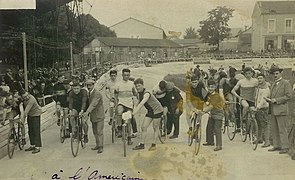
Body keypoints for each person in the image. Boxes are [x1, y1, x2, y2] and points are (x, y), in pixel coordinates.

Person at [265, 65, 292, 154]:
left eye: (277, 73)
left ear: (281, 73)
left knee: (282, 129)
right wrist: (269, 99)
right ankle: (277, 145)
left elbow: (288, 96)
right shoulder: (273, 83)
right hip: (273, 109)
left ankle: (285, 147)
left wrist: (276, 100)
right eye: (274, 74)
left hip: (281, 109)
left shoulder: (286, 83)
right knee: (274, 128)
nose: (275, 75)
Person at [132, 78, 164, 151]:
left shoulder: (146, 93)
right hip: (150, 111)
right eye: (136, 86)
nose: (137, 88)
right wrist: (132, 112)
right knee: (143, 127)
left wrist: (134, 113)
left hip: (157, 110)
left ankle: (153, 144)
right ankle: (142, 144)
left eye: (139, 86)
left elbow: (142, 103)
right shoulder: (139, 94)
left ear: (143, 85)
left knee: (155, 127)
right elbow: (136, 104)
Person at [115, 68, 137, 145]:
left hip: (129, 104)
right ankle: (119, 127)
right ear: (122, 75)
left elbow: (135, 93)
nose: (126, 76)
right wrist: (115, 103)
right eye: (125, 75)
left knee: (128, 120)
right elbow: (115, 94)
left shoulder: (131, 84)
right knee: (119, 111)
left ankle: (129, 138)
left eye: (128, 75)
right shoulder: (118, 84)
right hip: (121, 102)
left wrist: (136, 99)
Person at [203, 80, 225, 151]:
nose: (210, 88)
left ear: (215, 87)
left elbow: (210, 107)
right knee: (209, 127)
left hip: (218, 114)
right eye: (209, 87)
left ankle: (219, 145)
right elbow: (207, 103)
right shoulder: (209, 94)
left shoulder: (216, 96)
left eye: (212, 87)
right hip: (212, 114)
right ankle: (210, 141)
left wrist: (202, 111)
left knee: (217, 129)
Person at [84, 79, 105, 154]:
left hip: (99, 115)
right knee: (95, 131)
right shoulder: (89, 93)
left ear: (93, 85)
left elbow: (93, 103)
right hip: (93, 116)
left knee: (99, 131)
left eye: (90, 85)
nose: (89, 87)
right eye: (87, 85)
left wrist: (87, 112)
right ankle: (97, 144)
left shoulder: (97, 93)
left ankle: (100, 146)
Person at [186, 74, 208, 141]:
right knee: (188, 114)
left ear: (198, 81)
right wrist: (193, 109)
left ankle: (196, 134)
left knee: (199, 118)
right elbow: (188, 100)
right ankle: (190, 127)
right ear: (190, 82)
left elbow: (205, 94)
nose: (194, 84)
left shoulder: (201, 85)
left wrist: (207, 102)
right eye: (193, 82)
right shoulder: (188, 86)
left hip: (200, 101)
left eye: (196, 82)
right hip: (192, 101)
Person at [254, 73, 270, 147]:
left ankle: (267, 141)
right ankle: (259, 138)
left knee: (265, 124)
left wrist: (257, 107)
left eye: (261, 78)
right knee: (259, 124)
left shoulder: (266, 88)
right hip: (258, 107)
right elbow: (256, 98)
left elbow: (263, 100)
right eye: (258, 78)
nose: (259, 80)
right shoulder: (258, 87)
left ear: (264, 79)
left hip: (263, 108)